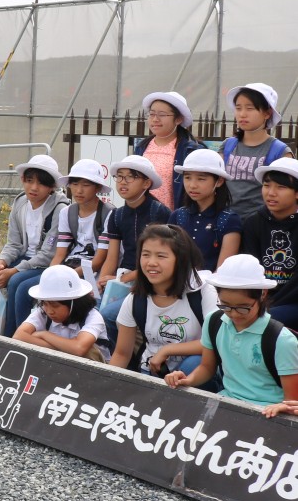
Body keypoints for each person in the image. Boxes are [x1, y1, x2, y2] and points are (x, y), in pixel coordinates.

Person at [165, 254, 298, 407]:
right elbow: (207, 367)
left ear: (263, 294)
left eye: (243, 307)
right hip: (227, 401)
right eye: (225, 305)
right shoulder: (214, 321)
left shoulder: (281, 340)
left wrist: (281, 408)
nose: (233, 314)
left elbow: (292, 401)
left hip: (268, 410)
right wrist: (188, 380)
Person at [0, 155, 68, 345]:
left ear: (52, 186)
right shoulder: (20, 202)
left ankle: (12, 340)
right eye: (29, 181)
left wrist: (13, 271)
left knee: (17, 284)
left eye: (42, 183)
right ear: (23, 180)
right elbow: (13, 243)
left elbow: (49, 254)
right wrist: (1, 263)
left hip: (44, 264)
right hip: (22, 259)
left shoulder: (60, 208)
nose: (34, 188)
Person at [108, 224, 217, 378]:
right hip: (151, 373)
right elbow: (121, 353)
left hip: (192, 377)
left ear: (180, 259)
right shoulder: (136, 299)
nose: (151, 262)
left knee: (194, 363)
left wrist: (167, 350)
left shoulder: (203, 292)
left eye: (161, 256)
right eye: (145, 255)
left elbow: (214, 341)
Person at [97, 155, 172, 326]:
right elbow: (112, 257)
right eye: (120, 176)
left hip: (152, 281)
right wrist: (101, 284)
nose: (123, 182)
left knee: (107, 314)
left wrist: (122, 279)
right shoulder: (117, 215)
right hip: (123, 280)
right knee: (91, 308)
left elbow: (162, 260)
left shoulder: (160, 212)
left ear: (147, 183)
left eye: (130, 177)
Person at [239, 156, 298, 331]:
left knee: (263, 321)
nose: (271, 193)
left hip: (292, 302)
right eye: (266, 185)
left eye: (281, 187)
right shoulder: (254, 222)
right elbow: (251, 266)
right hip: (259, 301)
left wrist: (267, 307)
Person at [221, 82, 290, 222]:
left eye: (250, 108)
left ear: (267, 113)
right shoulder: (227, 146)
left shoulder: (280, 152)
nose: (242, 114)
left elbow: (286, 193)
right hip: (226, 221)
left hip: (261, 224)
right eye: (238, 108)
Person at [10, 264, 108, 361]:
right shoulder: (42, 311)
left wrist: (43, 335)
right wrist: (66, 348)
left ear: (74, 302)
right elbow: (19, 336)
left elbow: (79, 348)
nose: (49, 311)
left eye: (55, 306)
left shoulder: (93, 317)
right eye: (45, 304)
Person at [169, 148, 242, 272]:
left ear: (219, 181)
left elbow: (222, 271)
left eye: (201, 179)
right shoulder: (177, 216)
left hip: (210, 288)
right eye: (187, 178)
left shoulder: (230, 220)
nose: (192, 185)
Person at [132, 90, 203, 209]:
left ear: (178, 119)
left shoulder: (190, 150)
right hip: (143, 216)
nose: (155, 119)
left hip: (174, 221)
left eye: (162, 115)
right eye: (152, 114)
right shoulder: (142, 147)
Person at [49, 158, 111, 286]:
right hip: (71, 264)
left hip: (94, 271)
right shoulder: (66, 212)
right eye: (75, 184)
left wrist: (71, 276)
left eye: (86, 185)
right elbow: (60, 254)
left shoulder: (108, 214)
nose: (79, 190)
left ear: (97, 187)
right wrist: (51, 274)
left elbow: (99, 259)